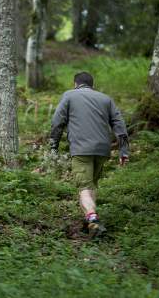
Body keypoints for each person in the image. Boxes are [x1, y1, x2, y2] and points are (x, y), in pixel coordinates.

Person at [49, 71, 129, 238]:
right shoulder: (105, 99)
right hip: (102, 150)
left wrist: (53, 146)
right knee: (91, 185)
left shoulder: (69, 95)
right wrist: (123, 151)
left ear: (75, 83)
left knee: (84, 187)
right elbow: (119, 124)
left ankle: (93, 218)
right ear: (92, 85)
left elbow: (57, 122)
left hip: (81, 149)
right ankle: (89, 224)